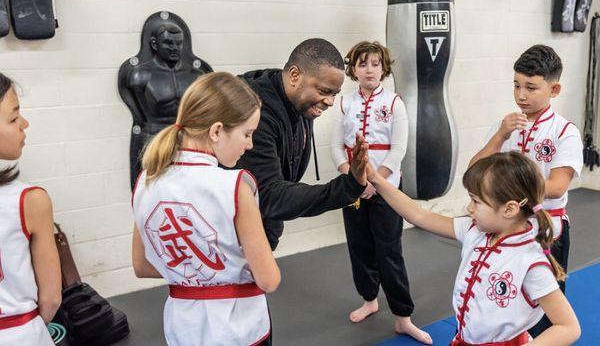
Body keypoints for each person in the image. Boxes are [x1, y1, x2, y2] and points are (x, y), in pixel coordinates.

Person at [368, 151, 580, 345]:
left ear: (510, 209)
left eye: (476, 201)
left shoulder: (530, 263)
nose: (469, 208)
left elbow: (568, 327)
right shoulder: (475, 231)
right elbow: (419, 215)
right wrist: (377, 179)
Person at [131, 72, 280, 346]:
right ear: (216, 131)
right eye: (247, 134)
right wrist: (223, 272)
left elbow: (142, 265)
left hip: (183, 326)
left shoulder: (147, 180)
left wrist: (193, 274)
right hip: (240, 327)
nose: (250, 145)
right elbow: (269, 279)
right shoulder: (234, 186)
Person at [468, 45, 583, 336]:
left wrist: (508, 186)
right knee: (504, 296)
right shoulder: (504, 125)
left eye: (531, 88)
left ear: (554, 89)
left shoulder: (564, 131)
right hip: (505, 226)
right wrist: (501, 134)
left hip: (548, 229)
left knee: (545, 306)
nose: (521, 95)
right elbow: (474, 172)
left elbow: (557, 187)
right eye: (517, 86)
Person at [330, 41, 430, 343]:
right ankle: (369, 300)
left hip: (386, 190)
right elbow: (335, 147)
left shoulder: (394, 102)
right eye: (362, 64)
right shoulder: (344, 103)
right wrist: (353, 180)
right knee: (359, 247)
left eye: (375, 63)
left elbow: (399, 148)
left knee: (389, 251)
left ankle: (403, 317)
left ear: (383, 68)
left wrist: (378, 182)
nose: (369, 69)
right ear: (353, 70)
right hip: (353, 189)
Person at [239, 38, 368, 250]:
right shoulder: (256, 115)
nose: (330, 102)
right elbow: (269, 195)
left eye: (334, 94)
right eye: (324, 91)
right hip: (236, 236)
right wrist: (347, 187)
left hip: (265, 224)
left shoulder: (299, 102)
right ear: (295, 75)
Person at [0, 72, 61, 345]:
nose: (24, 123)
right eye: (13, 118)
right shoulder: (29, 200)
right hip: (19, 333)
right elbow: (51, 298)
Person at [119, 18, 212, 188]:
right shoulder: (140, 75)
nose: (175, 48)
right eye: (168, 43)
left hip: (189, 140)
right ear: (154, 44)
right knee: (153, 190)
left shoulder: (196, 75)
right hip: (154, 139)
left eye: (178, 43)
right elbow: (140, 114)